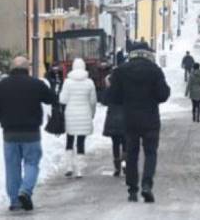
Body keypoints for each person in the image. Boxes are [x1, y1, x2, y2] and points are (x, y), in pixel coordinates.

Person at [0, 56, 57, 212]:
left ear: (11, 68)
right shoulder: (36, 84)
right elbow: (51, 99)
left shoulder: (0, 86)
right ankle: (25, 191)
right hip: (31, 133)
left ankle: (15, 202)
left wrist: (4, 119)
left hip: (9, 133)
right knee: (32, 163)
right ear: (27, 69)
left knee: (12, 167)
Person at [108, 43, 171, 204]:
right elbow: (163, 95)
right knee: (150, 153)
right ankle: (147, 185)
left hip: (130, 120)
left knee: (132, 154)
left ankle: (132, 190)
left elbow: (113, 97)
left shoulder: (121, 71)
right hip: (150, 119)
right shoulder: (154, 70)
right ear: (147, 53)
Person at [59, 58, 97, 179]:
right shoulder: (89, 82)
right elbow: (93, 101)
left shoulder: (67, 82)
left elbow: (63, 100)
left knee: (69, 140)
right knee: (81, 142)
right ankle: (80, 169)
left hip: (70, 114)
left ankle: (69, 167)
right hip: (85, 113)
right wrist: (92, 114)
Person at [102, 72, 126, 178]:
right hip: (125, 118)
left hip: (112, 119)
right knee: (126, 143)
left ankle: (117, 168)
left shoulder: (110, 90)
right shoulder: (126, 89)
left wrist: (107, 87)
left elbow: (104, 101)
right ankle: (125, 165)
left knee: (115, 144)